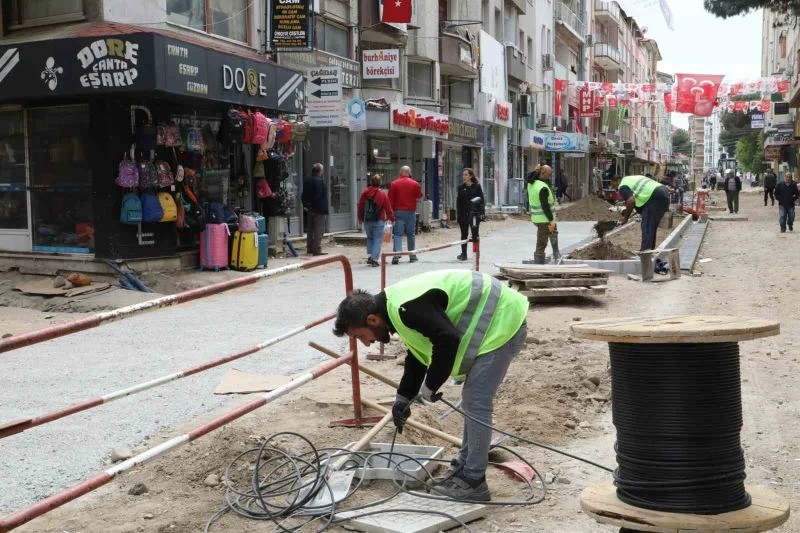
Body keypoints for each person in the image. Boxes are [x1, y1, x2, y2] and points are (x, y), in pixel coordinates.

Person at [332, 269, 529, 501]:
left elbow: (447, 339)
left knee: (476, 401)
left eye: (360, 336)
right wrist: (403, 398)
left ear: (372, 320)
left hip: (502, 321)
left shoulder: (405, 307)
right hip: (496, 320)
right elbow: (417, 354)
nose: (366, 344)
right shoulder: (396, 310)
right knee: (471, 400)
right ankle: (464, 471)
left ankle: (474, 482)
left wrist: (431, 386)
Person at [618, 174, 670, 252]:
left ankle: (645, 254)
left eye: (613, 185)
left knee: (647, 226)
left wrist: (625, 218)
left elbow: (631, 201)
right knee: (651, 226)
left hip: (654, 196)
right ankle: (650, 252)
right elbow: (637, 199)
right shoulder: (631, 179)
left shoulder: (622, 186)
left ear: (616, 181)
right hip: (663, 192)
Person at [388, 165, 423, 264]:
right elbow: (419, 195)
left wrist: (390, 214)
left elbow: (390, 199)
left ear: (400, 172)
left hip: (398, 212)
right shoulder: (415, 184)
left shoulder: (394, 184)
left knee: (398, 234)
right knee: (410, 234)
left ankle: (396, 254)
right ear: (409, 173)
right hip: (410, 212)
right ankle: (412, 255)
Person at [357, 174, 394, 267]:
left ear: (371, 182)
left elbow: (360, 206)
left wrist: (359, 218)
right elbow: (388, 207)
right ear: (380, 183)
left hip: (367, 220)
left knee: (370, 238)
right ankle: (374, 259)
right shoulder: (382, 194)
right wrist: (392, 218)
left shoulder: (365, 192)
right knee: (377, 239)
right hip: (379, 219)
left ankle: (370, 256)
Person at [527, 164, 561, 264]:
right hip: (544, 220)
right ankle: (539, 262)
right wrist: (550, 218)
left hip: (541, 218)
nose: (550, 177)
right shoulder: (542, 187)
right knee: (542, 242)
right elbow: (545, 206)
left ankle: (556, 254)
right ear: (542, 173)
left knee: (553, 232)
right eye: (549, 175)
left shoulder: (531, 183)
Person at [455, 168, 484, 261]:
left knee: (475, 234)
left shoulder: (477, 186)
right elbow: (458, 202)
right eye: (463, 175)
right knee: (464, 234)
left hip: (474, 214)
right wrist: (458, 215)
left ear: (471, 176)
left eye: (466, 175)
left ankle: (476, 253)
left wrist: (482, 213)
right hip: (463, 213)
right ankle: (464, 254)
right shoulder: (461, 187)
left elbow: (481, 200)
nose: (464, 176)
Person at [302, 163, 328, 256]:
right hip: (319, 208)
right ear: (320, 171)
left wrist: (306, 205)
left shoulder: (307, 180)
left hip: (309, 208)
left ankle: (309, 247)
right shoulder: (320, 181)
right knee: (318, 229)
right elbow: (319, 195)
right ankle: (316, 249)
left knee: (310, 229)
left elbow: (303, 193)